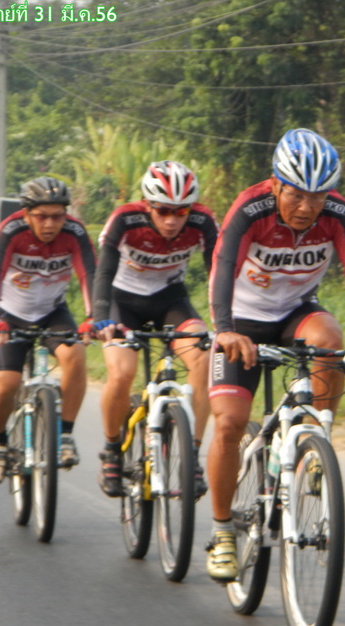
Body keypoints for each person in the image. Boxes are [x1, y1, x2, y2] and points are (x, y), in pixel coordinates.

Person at [205, 128, 345, 581]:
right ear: (275, 185)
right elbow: (223, 267)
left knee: (329, 337)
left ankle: (317, 442)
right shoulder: (250, 209)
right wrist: (225, 330)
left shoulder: (337, 213)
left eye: (318, 196)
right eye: (296, 195)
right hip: (241, 322)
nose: (307, 207)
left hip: (296, 312)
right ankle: (222, 532)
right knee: (229, 424)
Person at [92, 161, 218, 498]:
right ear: (148, 205)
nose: (172, 220)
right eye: (163, 210)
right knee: (122, 373)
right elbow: (103, 272)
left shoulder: (203, 222)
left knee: (203, 359)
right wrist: (101, 316)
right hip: (122, 304)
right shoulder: (125, 219)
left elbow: (217, 274)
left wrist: (225, 323)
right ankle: (111, 450)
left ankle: (191, 455)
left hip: (170, 301)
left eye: (181, 211)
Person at [0, 177, 96, 483]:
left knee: (75, 357)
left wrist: (94, 317)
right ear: (26, 213)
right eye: (42, 216)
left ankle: (65, 435)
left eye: (58, 216)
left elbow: (89, 275)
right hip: (10, 314)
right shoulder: (10, 231)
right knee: (6, 383)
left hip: (52, 312)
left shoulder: (74, 232)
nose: (50, 224)